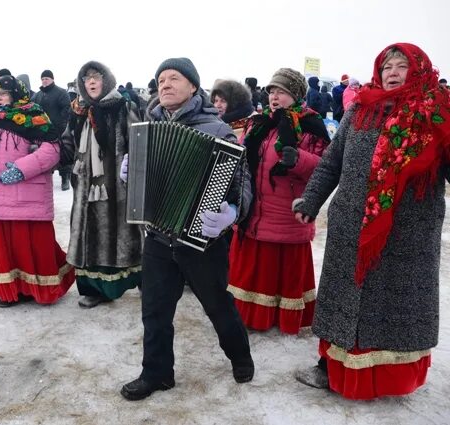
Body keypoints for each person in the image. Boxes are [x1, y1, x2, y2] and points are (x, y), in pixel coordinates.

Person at [293, 43, 450, 400]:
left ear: (420, 70)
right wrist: (312, 200)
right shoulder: (360, 109)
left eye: (402, 66)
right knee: (343, 300)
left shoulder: (437, 114)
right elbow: (332, 161)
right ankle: (328, 369)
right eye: (386, 67)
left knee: (392, 310)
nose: (392, 73)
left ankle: (386, 380)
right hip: (350, 227)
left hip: (406, 236)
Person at [120, 58, 254, 401]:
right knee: (154, 310)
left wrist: (232, 213)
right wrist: (129, 174)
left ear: (194, 86)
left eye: (173, 78)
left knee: (217, 305)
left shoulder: (218, 130)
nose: (164, 84)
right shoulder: (146, 128)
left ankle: (240, 355)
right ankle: (157, 374)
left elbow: (242, 185)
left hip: (202, 241)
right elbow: (141, 183)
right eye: (161, 79)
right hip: (159, 237)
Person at [227, 68, 330, 335]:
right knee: (253, 267)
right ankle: (248, 316)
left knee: (281, 269)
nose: (274, 96)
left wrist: (299, 160)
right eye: (272, 91)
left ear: (295, 95)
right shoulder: (258, 123)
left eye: (281, 92)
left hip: (287, 213)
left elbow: (326, 169)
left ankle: (279, 318)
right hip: (255, 211)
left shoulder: (311, 126)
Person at [0, 75, 74, 307]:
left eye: (3, 93)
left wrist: (22, 169)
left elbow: (52, 151)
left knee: (29, 246)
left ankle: (35, 289)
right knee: (7, 249)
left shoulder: (34, 116)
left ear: (16, 94)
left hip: (27, 196)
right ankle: (10, 289)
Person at [61, 61, 143, 309]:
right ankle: (92, 289)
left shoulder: (122, 107)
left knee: (118, 237)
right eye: (87, 79)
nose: (92, 82)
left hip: (116, 188)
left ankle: (133, 281)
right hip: (85, 186)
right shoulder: (78, 111)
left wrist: (130, 172)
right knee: (87, 235)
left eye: (96, 77)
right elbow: (68, 143)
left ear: (106, 80)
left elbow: (138, 143)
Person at [32, 70, 72, 191]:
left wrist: (61, 123)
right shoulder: (37, 95)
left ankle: (65, 178)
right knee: (44, 154)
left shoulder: (61, 92)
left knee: (62, 154)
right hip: (41, 131)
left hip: (58, 129)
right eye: (43, 78)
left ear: (52, 79)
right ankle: (45, 177)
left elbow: (67, 108)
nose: (44, 81)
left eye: (47, 79)